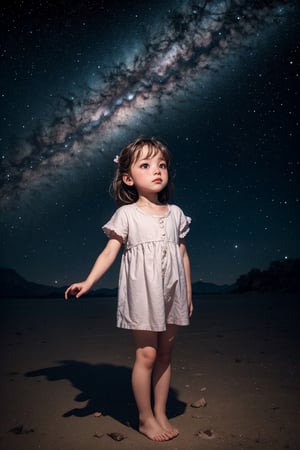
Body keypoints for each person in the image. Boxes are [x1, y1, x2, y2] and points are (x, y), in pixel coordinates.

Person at [65, 137, 193, 441]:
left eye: (161, 164)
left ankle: (161, 412)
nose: (157, 170)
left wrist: (188, 293)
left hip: (173, 293)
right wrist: (89, 281)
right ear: (128, 177)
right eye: (146, 165)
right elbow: (109, 252)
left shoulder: (175, 213)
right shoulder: (127, 214)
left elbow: (183, 255)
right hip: (142, 294)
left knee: (165, 355)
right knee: (146, 355)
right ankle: (145, 418)